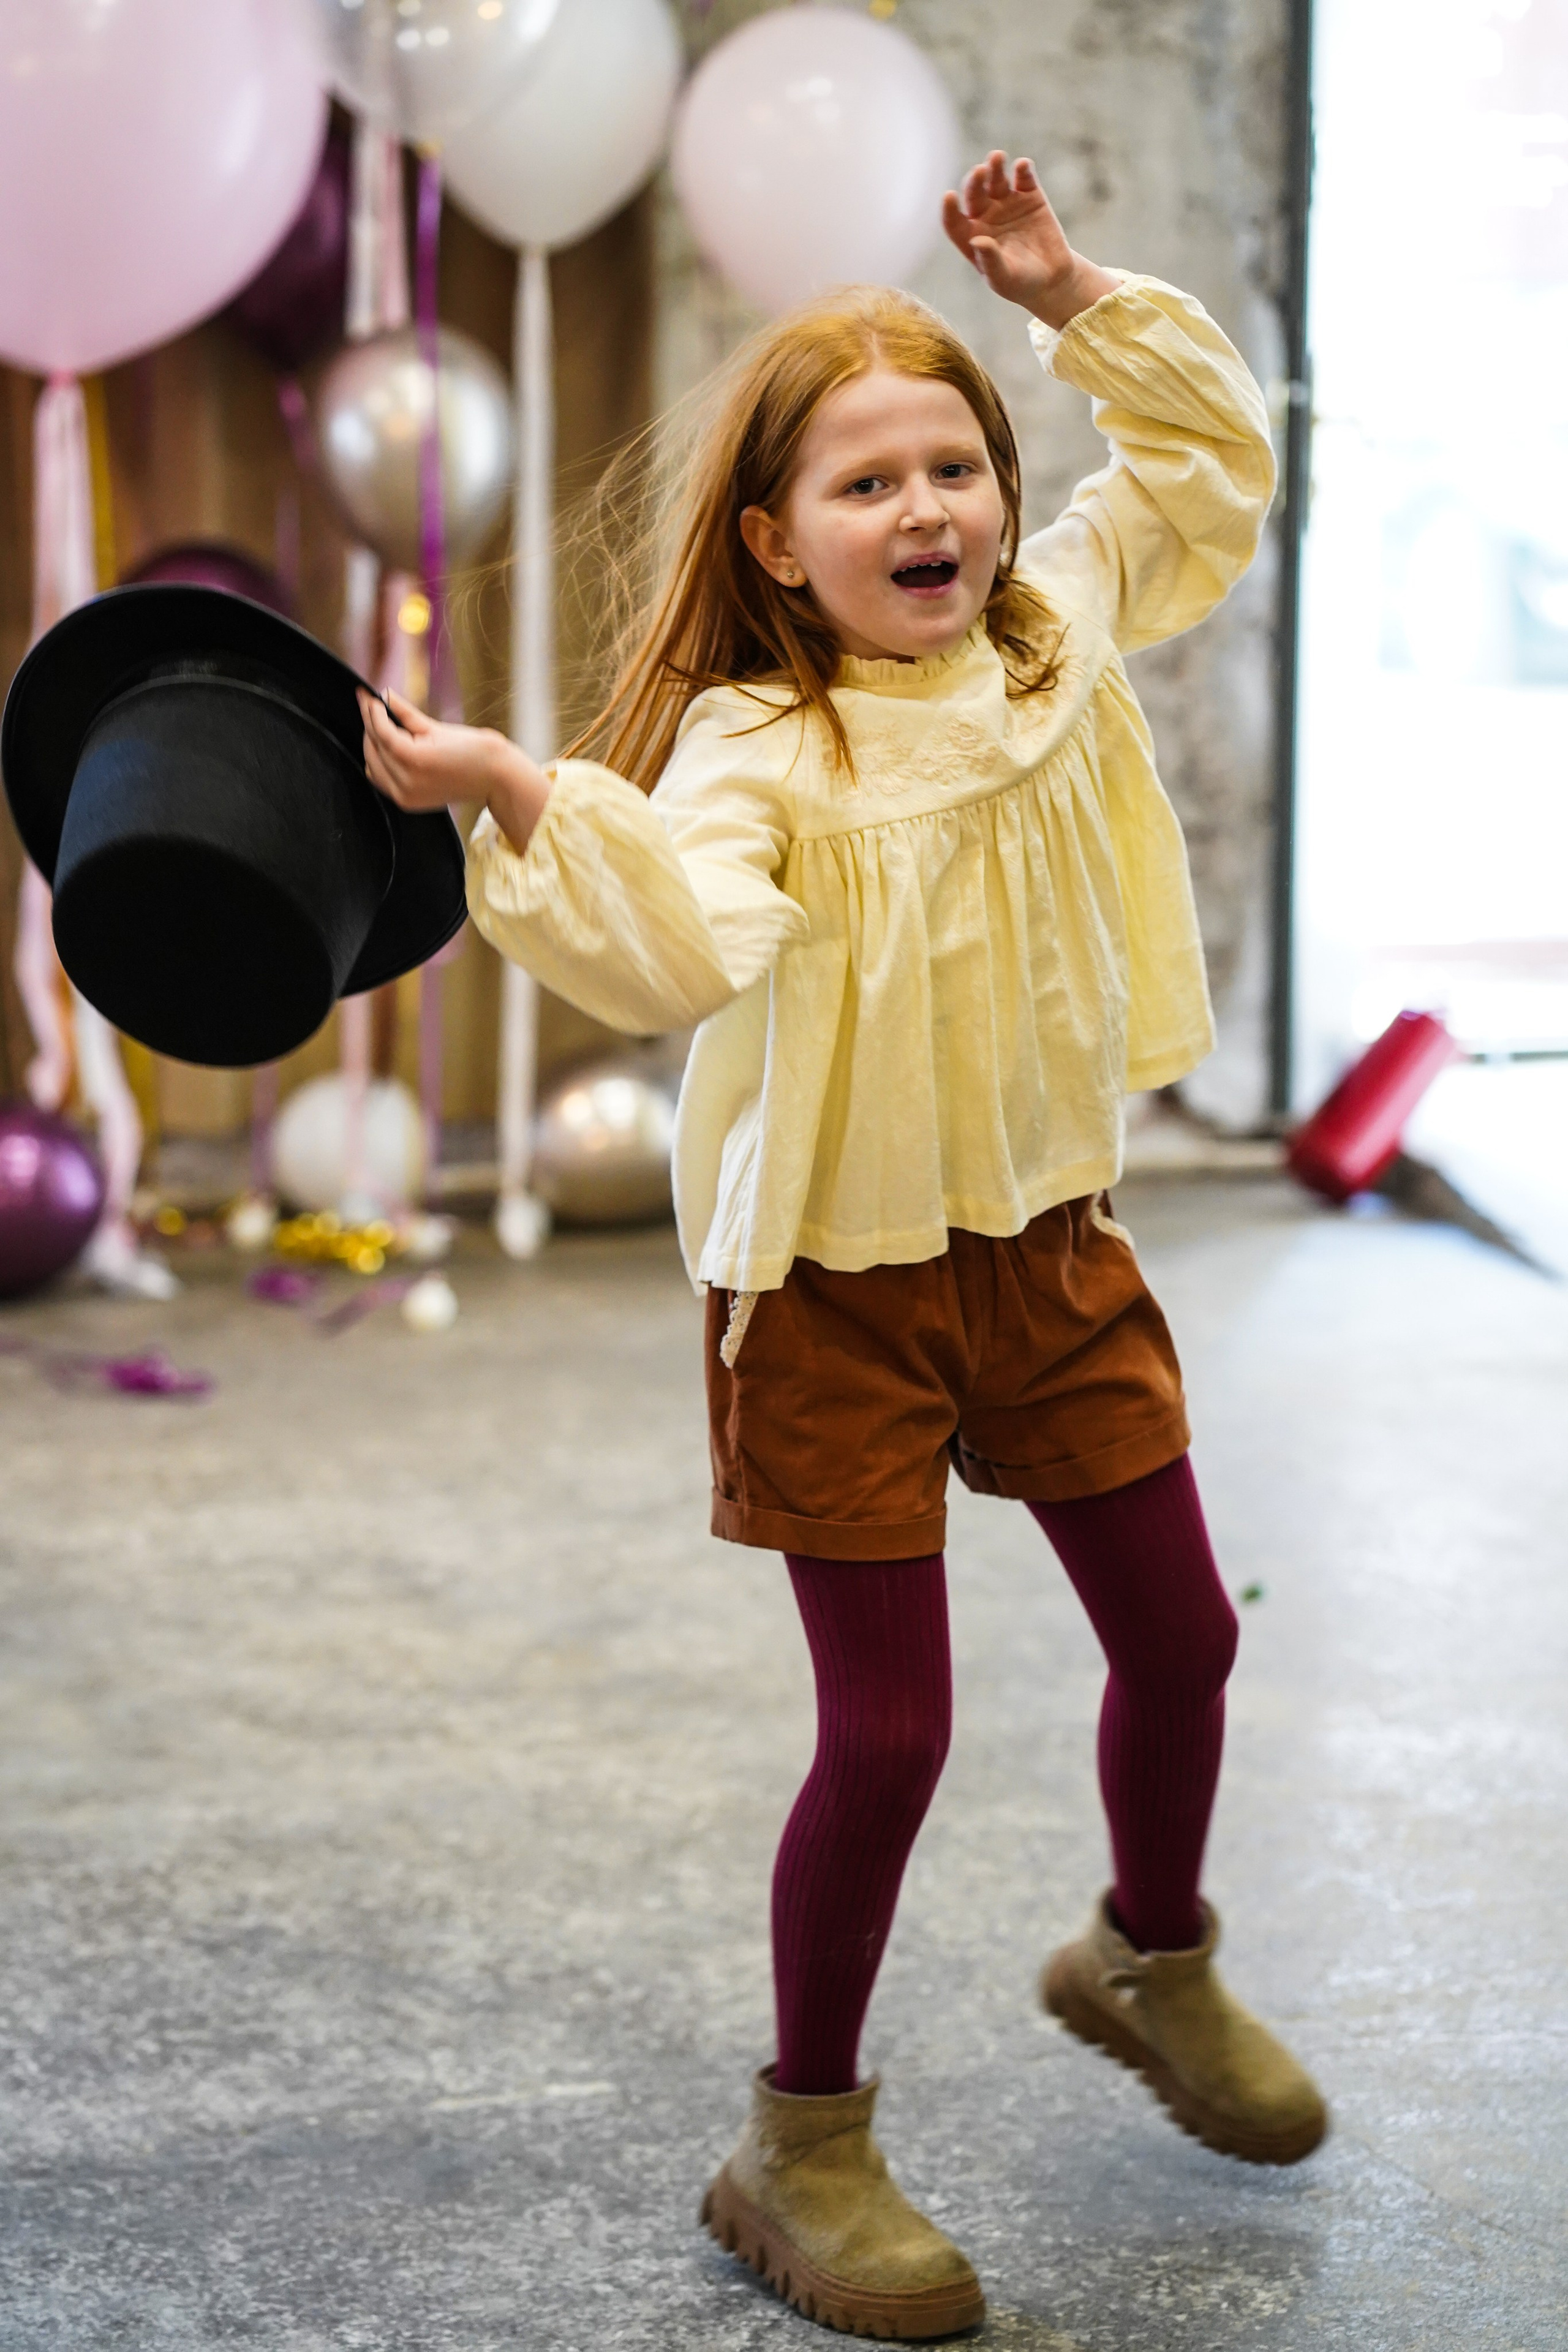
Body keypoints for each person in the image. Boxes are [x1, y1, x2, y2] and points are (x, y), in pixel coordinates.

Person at [359, 151, 1327, 2343]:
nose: (933, 508)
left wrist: (1072, 291)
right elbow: (674, 939)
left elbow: (1207, 462)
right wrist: (520, 789)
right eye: (870, 481)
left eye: (957, 464)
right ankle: (800, 2140)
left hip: (1051, 1247)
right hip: (835, 1283)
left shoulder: (1060, 635)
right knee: (888, 1742)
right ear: (779, 547)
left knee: (1184, 1646)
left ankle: (1147, 1957)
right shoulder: (756, 747)